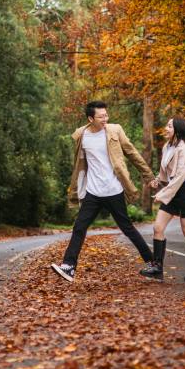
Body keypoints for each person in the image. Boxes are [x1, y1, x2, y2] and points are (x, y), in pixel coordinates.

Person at [51, 100, 157, 281]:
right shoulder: (82, 136)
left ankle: (153, 263)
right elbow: (80, 165)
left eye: (106, 115)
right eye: (101, 116)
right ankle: (69, 267)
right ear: (90, 118)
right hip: (93, 192)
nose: (105, 119)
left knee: (127, 228)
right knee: (79, 227)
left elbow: (132, 154)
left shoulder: (114, 130)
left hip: (114, 189)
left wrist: (149, 176)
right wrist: (77, 188)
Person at [140, 116, 185, 282]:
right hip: (172, 191)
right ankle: (157, 267)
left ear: (177, 129)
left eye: (169, 126)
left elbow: (179, 177)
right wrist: (158, 180)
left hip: (183, 191)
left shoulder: (183, 148)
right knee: (158, 228)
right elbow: (166, 173)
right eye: (167, 125)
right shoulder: (167, 146)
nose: (166, 128)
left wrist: (162, 194)